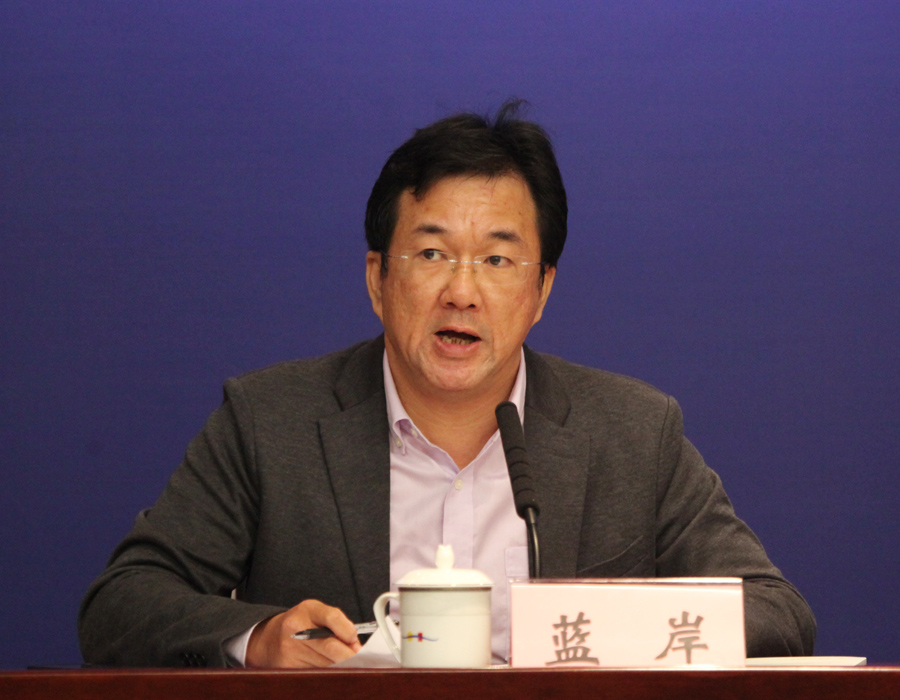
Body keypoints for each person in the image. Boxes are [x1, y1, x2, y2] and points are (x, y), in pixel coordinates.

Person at [79, 101, 816, 668]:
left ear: (541, 290)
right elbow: (121, 605)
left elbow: (778, 613)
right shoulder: (270, 422)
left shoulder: (633, 432)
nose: (462, 293)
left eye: (497, 261)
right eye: (431, 254)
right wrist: (260, 638)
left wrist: (593, 633)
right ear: (378, 278)